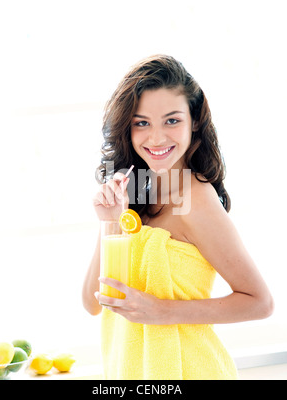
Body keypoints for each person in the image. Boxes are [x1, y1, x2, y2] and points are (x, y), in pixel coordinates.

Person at [82, 54, 274, 380]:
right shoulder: (133, 190)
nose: (156, 138)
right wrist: (110, 222)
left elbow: (259, 302)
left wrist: (162, 311)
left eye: (172, 120)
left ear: (194, 120)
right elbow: (94, 302)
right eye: (142, 122)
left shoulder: (196, 197)